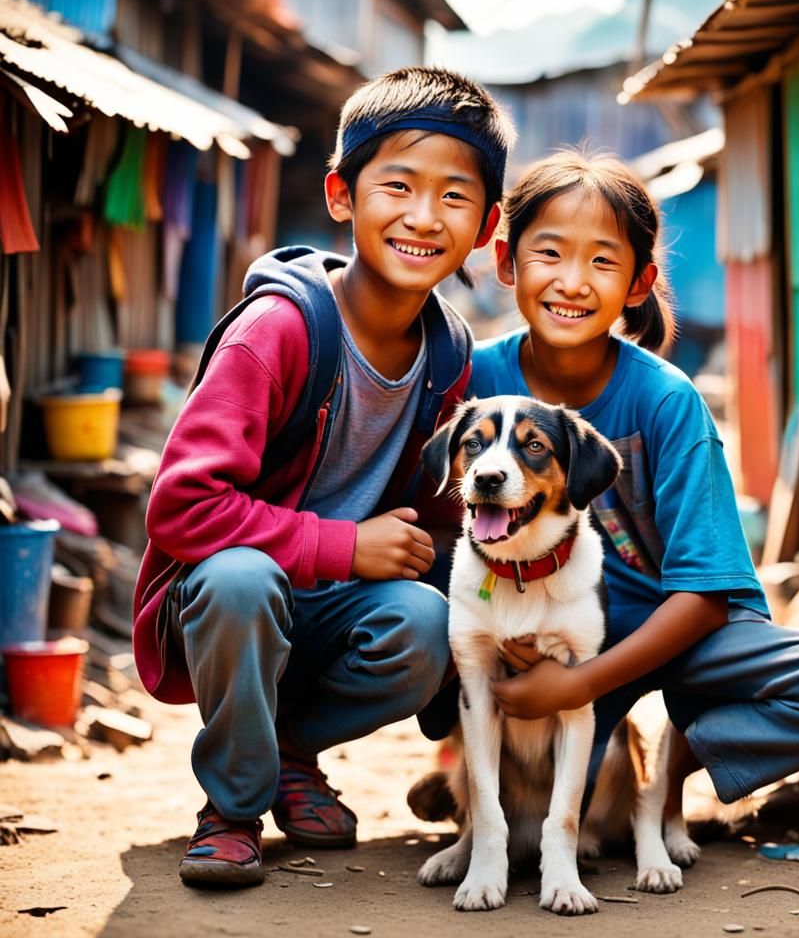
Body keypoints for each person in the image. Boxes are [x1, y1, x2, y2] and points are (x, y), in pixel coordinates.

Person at [133, 67, 515, 887]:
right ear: (343, 196)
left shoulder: (448, 360)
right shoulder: (278, 331)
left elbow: (433, 526)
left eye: (455, 197)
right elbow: (181, 507)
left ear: (485, 226)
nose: (423, 216)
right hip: (226, 597)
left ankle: (290, 751)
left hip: (332, 606)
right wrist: (342, 546)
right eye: (398, 186)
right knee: (241, 581)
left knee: (424, 620)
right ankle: (232, 807)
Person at [469, 150, 799, 815]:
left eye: (603, 262)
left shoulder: (667, 401)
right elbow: (450, 529)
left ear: (639, 284)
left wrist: (575, 686)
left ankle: (679, 758)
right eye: (549, 254)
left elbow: (702, 598)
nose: (573, 282)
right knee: (547, 824)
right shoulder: (477, 384)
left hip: (681, 636)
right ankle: (468, 773)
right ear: (506, 263)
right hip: (546, 631)